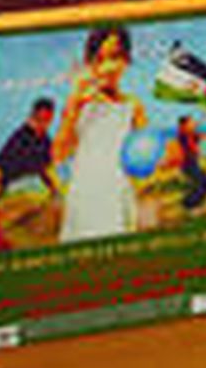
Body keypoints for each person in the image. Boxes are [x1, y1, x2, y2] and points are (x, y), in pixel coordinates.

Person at [54, 25, 147, 243]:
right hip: (86, 194)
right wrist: (75, 107)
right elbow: (59, 154)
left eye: (114, 57)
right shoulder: (80, 103)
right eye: (99, 59)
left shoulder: (133, 106)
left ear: (126, 60)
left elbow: (145, 154)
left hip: (119, 192)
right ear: (89, 63)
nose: (107, 67)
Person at [0, 97, 58, 196]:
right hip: (8, 183)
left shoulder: (44, 139)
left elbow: (46, 167)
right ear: (33, 116)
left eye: (47, 120)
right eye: (39, 119)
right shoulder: (22, 137)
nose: (43, 124)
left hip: (21, 183)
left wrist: (54, 190)